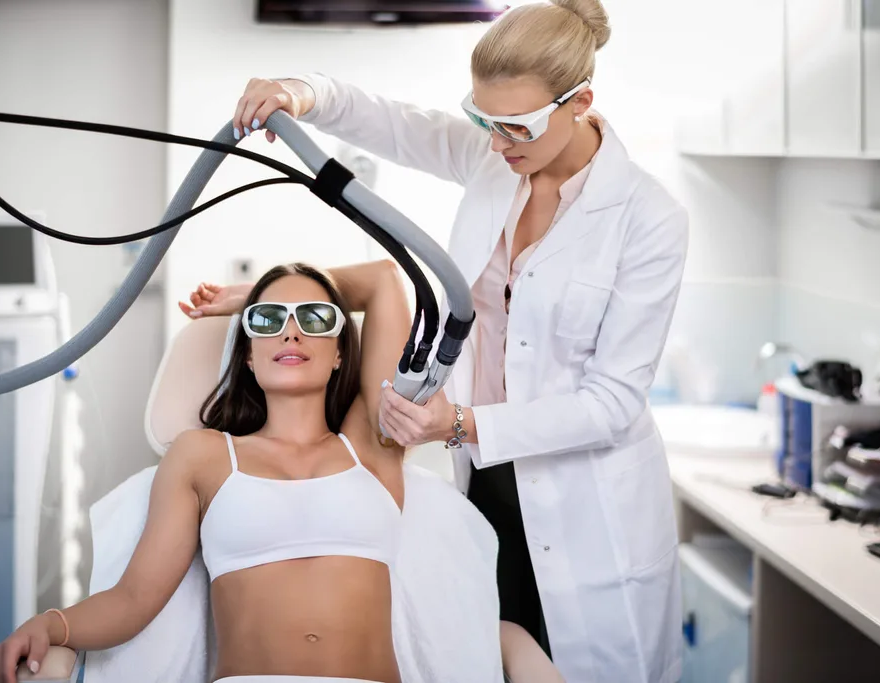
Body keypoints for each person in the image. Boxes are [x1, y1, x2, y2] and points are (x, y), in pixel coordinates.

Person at [217, 1, 689, 681]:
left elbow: (613, 402)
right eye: (483, 120)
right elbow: (391, 121)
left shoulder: (648, 218)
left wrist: (460, 423)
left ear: (580, 101)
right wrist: (302, 92)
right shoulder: (497, 158)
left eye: (515, 125)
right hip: (487, 484)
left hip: (588, 505)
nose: (497, 143)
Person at [0, 260, 416, 683]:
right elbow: (134, 598)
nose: (291, 331)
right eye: (267, 320)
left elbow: (384, 280)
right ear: (249, 355)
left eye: (314, 317)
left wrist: (248, 295)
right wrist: (50, 624)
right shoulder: (202, 456)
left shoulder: (374, 442)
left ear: (340, 352)